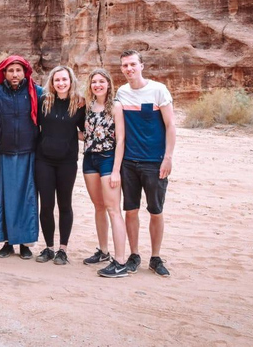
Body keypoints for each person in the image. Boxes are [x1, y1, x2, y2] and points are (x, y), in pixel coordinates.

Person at [114, 49, 176, 277]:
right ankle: (134, 254)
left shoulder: (158, 90)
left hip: (154, 161)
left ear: (142, 66)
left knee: (155, 211)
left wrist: (168, 157)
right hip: (129, 162)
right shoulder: (121, 92)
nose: (129, 69)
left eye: (132, 64)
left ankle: (156, 257)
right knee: (131, 211)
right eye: (124, 66)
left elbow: (170, 125)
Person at [0, 55, 43, 259]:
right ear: (4, 73)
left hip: (28, 153)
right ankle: (6, 242)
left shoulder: (36, 92)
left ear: (25, 72)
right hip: (4, 154)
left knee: (26, 199)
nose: (14, 74)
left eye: (18, 70)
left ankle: (24, 244)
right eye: (10, 70)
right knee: (4, 199)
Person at [33, 66, 85, 266]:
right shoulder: (43, 101)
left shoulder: (79, 104)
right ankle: (48, 247)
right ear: (52, 83)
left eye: (64, 79)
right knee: (46, 205)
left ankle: (63, 249)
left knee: (65, 205)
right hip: (43, 160)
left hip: (67, 161)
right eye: (57, 80)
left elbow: (84, 131)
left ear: (70, 81)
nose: (61, 83)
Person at [81, 68, 129, 278]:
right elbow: (87, 135)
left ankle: (120, 262)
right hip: (89, 158)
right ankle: (103, 251)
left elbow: (121, 140)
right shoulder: (89, 107)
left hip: (109, 160)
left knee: (113, 208)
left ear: (108, 84)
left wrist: (117, 170)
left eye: (101, 81)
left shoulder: (115, 106)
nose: (97, 85)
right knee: (99, 206)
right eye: (94, 82)